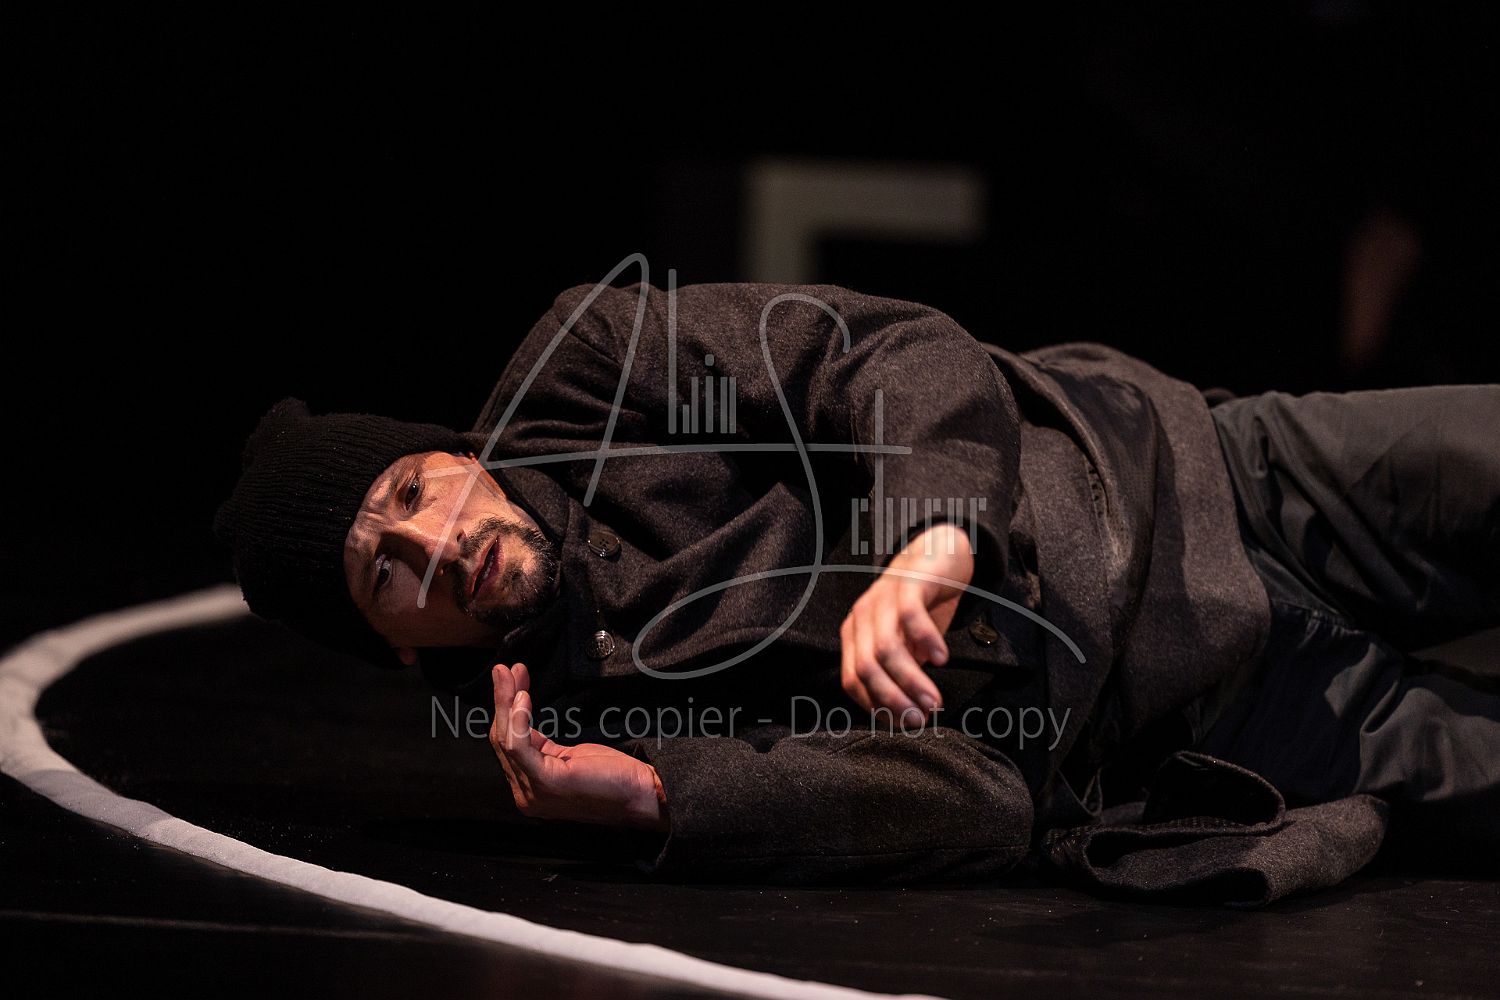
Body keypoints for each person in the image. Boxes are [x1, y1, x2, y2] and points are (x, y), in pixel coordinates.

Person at [212, 276, 1498, 904]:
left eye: (412, 490)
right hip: (1203, 727)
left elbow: (881, 349)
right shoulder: (579, 734)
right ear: (394, 646)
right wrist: (664, 794)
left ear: (452, 451)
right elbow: (984, 805)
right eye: (385, 568)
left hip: (1208, 477)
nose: (435, 542)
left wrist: (931, 531)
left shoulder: (585, 366)